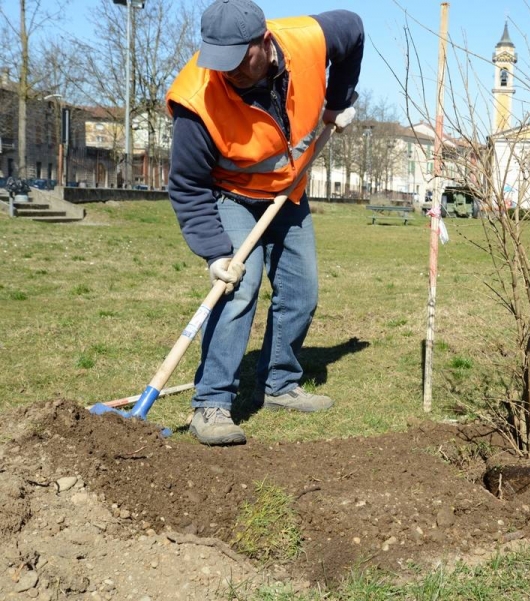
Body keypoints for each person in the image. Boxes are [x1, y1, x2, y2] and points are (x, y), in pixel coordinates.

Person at [165, 0, 363, 445]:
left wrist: (336, 101)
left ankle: (280, 385)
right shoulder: (196, 100)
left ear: (263, 42)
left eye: (237, 58)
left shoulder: (307, 40)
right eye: (219, 59)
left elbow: (353, 28)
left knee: (301, 290)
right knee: (239, 286)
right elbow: (187, 186)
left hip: (288, 192)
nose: (227, 71)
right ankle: (211, 403)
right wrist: (216, 253)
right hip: (231, 194)